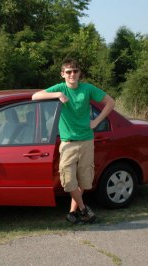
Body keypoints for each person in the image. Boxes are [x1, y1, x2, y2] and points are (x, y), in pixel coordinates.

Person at [32, 58, 115, 224]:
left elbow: (110, 102)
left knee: (84, 180)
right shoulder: (60, 88)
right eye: (68, 72)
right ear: (62, 74)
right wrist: (57, 95)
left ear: (79, 73)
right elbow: (35, 96)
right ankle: (84, 209)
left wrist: (96, 122)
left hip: (86, 141)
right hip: (68, 143)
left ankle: (73, 212)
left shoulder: (88, 88)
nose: (72, 74)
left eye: (75, 71)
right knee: (68, 181)